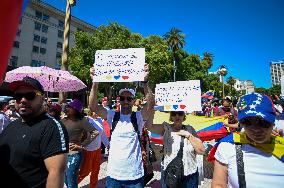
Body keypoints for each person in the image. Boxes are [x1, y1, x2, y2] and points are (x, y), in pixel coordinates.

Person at [89, 64, 155, 188]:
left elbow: (151, 105)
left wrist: (145, 82)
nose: (125, 101)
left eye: (129, 99)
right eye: (122, 98)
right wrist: (95, 83)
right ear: (118, 100)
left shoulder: (138, 117)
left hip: (135, 176)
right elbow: (93, 106)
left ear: (133, 101)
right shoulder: (112, 115)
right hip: (113, 176)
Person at [0, 76, 69, 187]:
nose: (23, 100)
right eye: (18, 96)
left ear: (42, 98)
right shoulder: (11, 126)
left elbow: (56, 172)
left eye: (30, 96)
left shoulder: (51, 127)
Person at [212, 93, 284, 188]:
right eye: (247, 122)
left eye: (263, 122)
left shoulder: (281, 146)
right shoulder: (228, 146)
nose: (255, 129)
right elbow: (219, 184)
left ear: (273, 121)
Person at [148, 111, 205, 188]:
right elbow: (148, 126)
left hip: (189, 174)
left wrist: (188, 135)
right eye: (174, 114)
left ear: (183, 116)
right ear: (171, 117)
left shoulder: (190, 129)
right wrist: (152, 107)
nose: (177, 116)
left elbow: (201, 150)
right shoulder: (166, 128)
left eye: (180, 114)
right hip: (170, 172)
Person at [61, 99, 99, 188]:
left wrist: (82, 145)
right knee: (65, 180)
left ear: (76, 110)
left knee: (71, 183)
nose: (67, 108)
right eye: (67, 106)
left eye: (70, 107)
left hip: (73, 155)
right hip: (63, 155)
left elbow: (95, 132)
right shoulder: (63, 120)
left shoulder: (82, 120)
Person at [78, 111, 109, 188]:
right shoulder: (87, 120)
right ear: (91, 112)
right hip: (88, 150)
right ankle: (72, 184)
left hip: (97, 149)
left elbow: (102, 134)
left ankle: (93, 186)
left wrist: (108, 145)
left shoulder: (99, 120)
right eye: (96, 110)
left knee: (96, 170)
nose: (98, 112)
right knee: (85, 172)